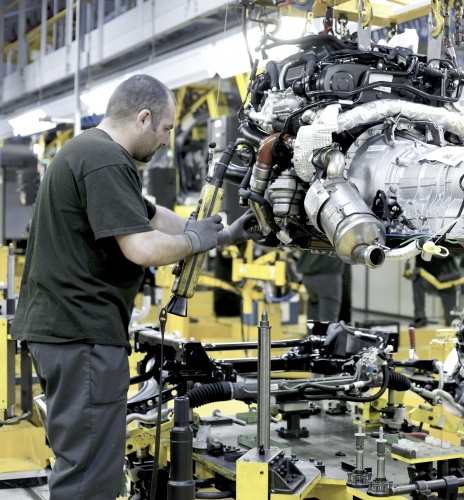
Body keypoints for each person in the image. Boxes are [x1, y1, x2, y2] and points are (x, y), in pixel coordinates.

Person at [9, 75, 254, 500]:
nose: (165, 142)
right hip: (81, 334)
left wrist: (222, 233)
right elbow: (142, 246)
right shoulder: (106, 160)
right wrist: (198, 241)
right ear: (144, 118)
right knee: (90, 476)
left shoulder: (87, 151)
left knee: (81, 463)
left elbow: (152, 216)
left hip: (64, 332)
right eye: (165, 130)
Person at [406, 254, 463, 327]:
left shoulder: (445, 246)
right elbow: (418, 270)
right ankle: (420, 318)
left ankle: (452, 322)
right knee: (418, 281)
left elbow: (455, 254)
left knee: (451, 322)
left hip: (449, 283)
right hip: (431, 282)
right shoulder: (421, 249)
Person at [296, 250, 345, 322]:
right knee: (328, 320)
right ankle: (325, 332)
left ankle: (311, 332)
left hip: (308, 276)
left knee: (313, 310)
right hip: (328, 275)